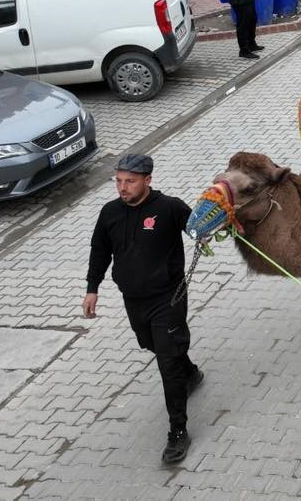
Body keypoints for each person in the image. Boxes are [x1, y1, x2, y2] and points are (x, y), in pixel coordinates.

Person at [82, 154, 199, 465]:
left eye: (130, 182)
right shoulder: (109, 213)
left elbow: (198, 228)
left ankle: (178, 432)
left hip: (168, 298)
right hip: (133, 300)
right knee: (151, 345)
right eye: (118, 181)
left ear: (148, 180)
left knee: (166, 363)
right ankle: (189, 370)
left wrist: (217, 219)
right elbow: (99, 251)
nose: (122, 187)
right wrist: (92, 289)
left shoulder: (170, 208)